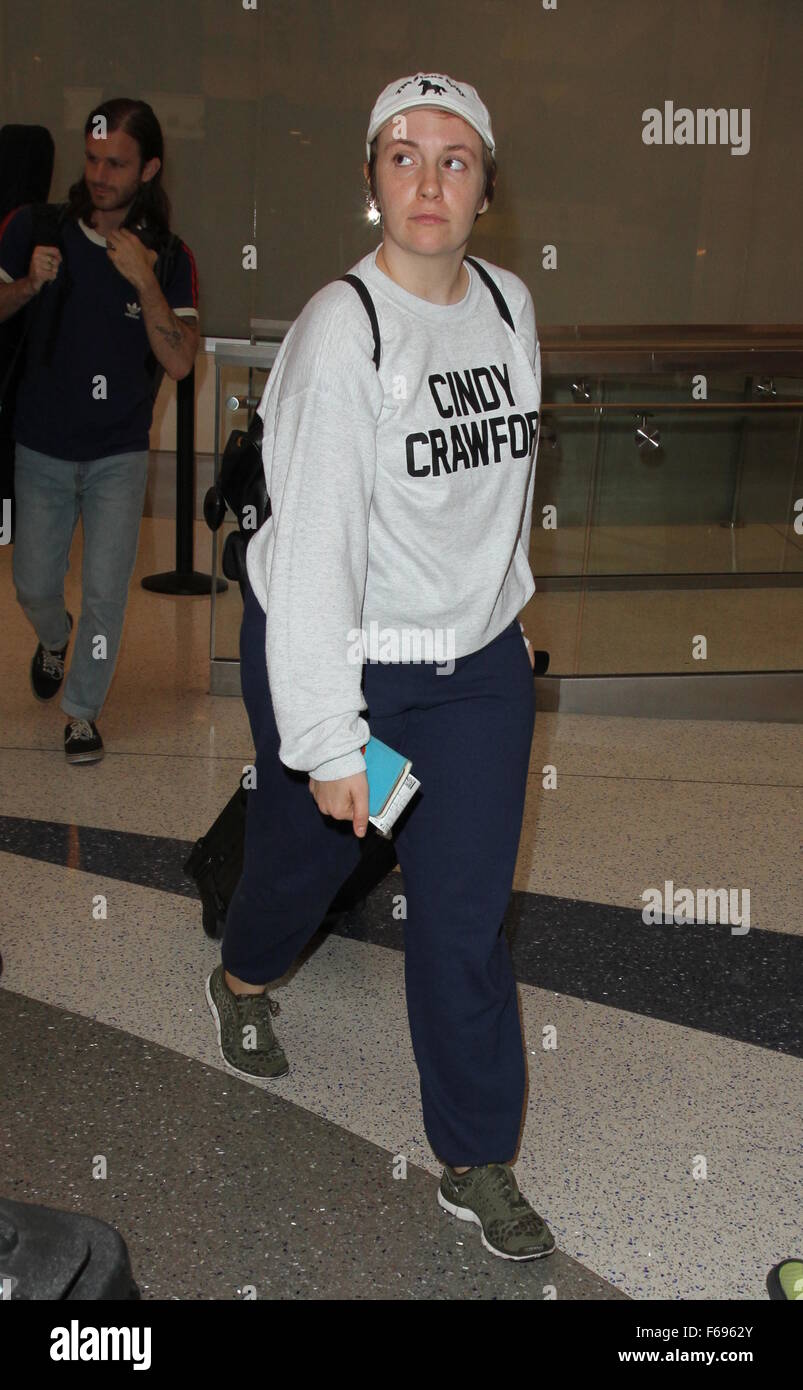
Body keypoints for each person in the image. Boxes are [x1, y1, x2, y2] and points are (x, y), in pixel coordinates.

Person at [205, 71, 553, 1262]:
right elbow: (309, 553)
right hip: (346, 653)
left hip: (473, 671)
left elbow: (496, 497)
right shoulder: (337, 333)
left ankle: (475, 1159)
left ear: (484, 190)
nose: (428, 180)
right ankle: (243, 980)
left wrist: (495, 627)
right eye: (404, 157)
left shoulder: (508, 308)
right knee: (305, 859)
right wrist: (324, 733)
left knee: (461, 922)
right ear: (371, 180)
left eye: (454, 160)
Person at [0, 98, 199, 763]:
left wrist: (144, 282)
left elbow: (178, 359)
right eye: (91, 159)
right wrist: (27, 285)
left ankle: (82, 711)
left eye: (116, 163)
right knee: (32, 582)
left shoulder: (168, 256)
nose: (100, 174)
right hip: (41, 444)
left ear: (148, 168)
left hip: (118, 452)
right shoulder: (35, 227)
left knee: (107, 595)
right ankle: (54, 638)